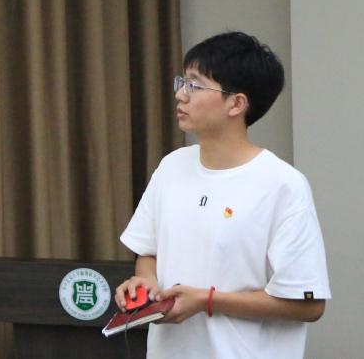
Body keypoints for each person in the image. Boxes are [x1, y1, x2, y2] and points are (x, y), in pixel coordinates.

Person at [115, 31, 330, 358]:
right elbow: (148, 252)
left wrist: (208, 301)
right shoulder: (172, 167)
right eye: (182, 82)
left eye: (194, 85)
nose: (180, 95)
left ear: (237, 104)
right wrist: (145, 283)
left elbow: (309, 305)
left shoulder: (282, 185)